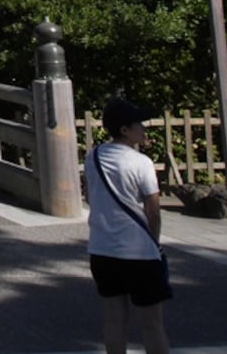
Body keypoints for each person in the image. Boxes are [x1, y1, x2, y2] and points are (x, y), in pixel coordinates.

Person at [84, 98, 170, 354]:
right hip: (139, 251)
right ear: (124, 129)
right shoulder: (141, 162)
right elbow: (153, 211)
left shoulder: (93, 157)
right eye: (139, 124)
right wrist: (154, 242)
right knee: (152, 324)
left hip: (101, 249)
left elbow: (90, 196)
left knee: (113, 319)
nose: (143, 129)